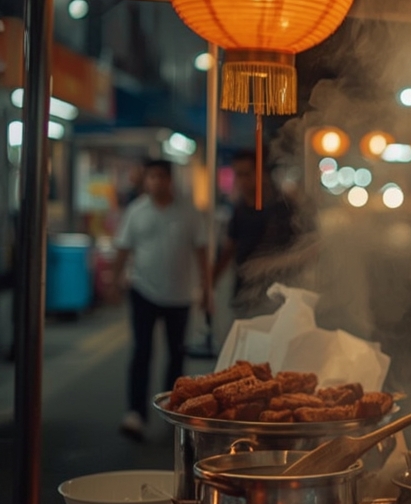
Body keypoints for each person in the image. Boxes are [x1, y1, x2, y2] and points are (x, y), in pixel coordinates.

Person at [113, 159, 210, 436]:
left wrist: (206, 287)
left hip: (179, 294)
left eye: (160, 176)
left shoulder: (189, 212)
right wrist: (114, 280)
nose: (155, 182)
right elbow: (123, 247)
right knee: (142, 351)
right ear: (146, 181)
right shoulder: (136, 211)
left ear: (170, 180)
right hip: (143, 290)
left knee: (176, 355)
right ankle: (135, 413)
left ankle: (173, 411)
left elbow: (201, 250)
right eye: (151, 177)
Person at [213, 150, 311, 317]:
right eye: (238, 175)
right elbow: (231, 245)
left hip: (276, 291)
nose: (242, 181)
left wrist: (268, 264)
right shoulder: (240, 208)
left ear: (262, 174)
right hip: (245, 289)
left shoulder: (283, 207)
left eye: (247, 174)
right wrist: (212, 279)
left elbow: (302, 251)